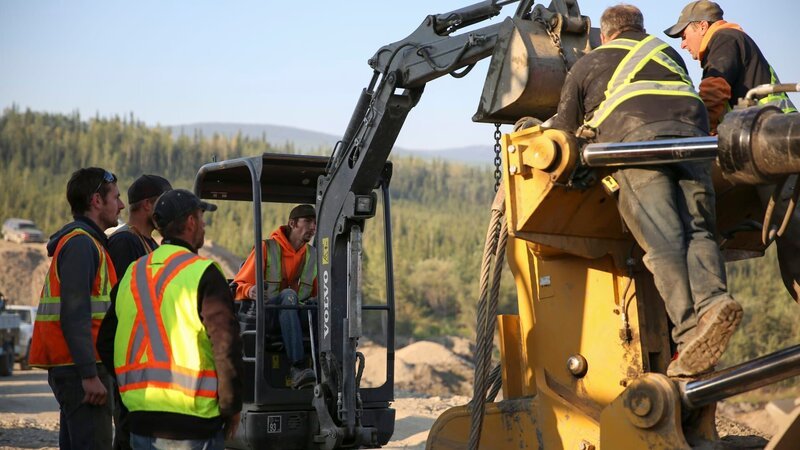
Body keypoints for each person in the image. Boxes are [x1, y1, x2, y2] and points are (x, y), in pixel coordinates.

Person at [548, 4, 741, 377]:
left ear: (605, 35)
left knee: (665, 243)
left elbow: (564, 130)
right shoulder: (667, 53)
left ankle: (688, 335)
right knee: (698, 230)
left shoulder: (589, 63)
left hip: (637, 146)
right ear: (640, 28)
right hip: (693, 140)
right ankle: (714, 302)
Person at [664, 0, 800, 302]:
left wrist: (696, 134)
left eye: (684, 34)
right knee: (789, 238)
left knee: (793, 236)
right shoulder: (738, 42)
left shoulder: (724, 40)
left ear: (702, 26)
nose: (683, 43)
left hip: (770, 150)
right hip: (777, 148)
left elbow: (714, 92)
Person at [97, 189, 243, 449]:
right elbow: (225, 346)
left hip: (141, 419)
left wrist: (131, 391)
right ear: (190, 222)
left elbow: (106, 341)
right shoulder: (203, 273)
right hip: (194, 422)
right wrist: (231, 407)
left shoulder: (133, 273)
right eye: (201, 217)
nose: (204, 225)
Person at [28, 167, 124, 449]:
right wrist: (89, 375)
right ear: (96, 200)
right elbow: (75, 313)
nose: (120, 205)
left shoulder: (89, 243)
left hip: (77, 369)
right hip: (81, 371)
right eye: (116, 198)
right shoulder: (82, 245)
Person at [105, 174, 171, 450]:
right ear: (147, 205)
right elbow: (124, 304)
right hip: (131, 359)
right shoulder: (124, 242)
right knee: (128, 433)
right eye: (162, 204)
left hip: (148, 360)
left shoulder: (150, 244)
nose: (167, 212)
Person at [233, 204, 318, 388]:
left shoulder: (313, 256)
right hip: (269, 316)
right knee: (288, 296)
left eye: (315, 223)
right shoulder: (266, 248)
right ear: (292, 223)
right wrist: (250, 290)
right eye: (308, 221)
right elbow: (238, 285)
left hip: (296, 314)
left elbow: (320, 292)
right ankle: (298, 367)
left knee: (319, 308)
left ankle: (325, 366)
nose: (313, 227)